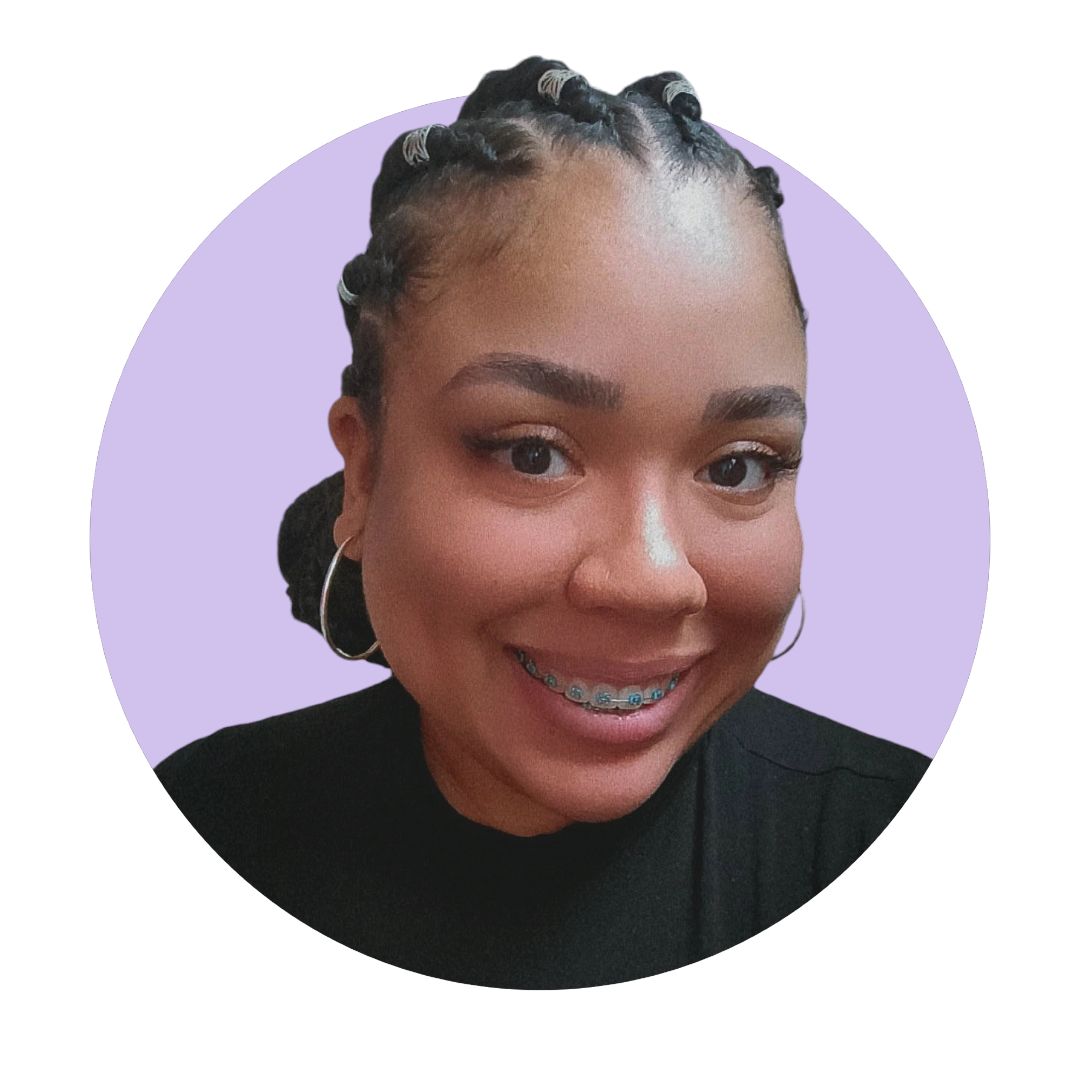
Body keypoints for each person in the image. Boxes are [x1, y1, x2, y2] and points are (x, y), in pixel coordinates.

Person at [156, 57, 930, 989]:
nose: (653, 578)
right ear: (364, 471)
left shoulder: (908, 852)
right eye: (532, 454)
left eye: (738, 467)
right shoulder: (196, 828)